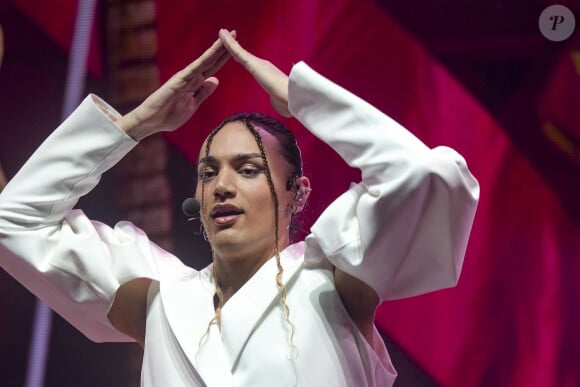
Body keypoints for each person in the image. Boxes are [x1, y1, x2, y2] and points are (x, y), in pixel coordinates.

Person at [0, 29, 479, 386]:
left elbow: (423, 174)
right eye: (208, 173)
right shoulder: (161, 296)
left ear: (299, 192)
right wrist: (136, 125)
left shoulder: (333, 282)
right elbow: (11, 222)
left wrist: (302, 100)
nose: (222, 186)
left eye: (248, 169)